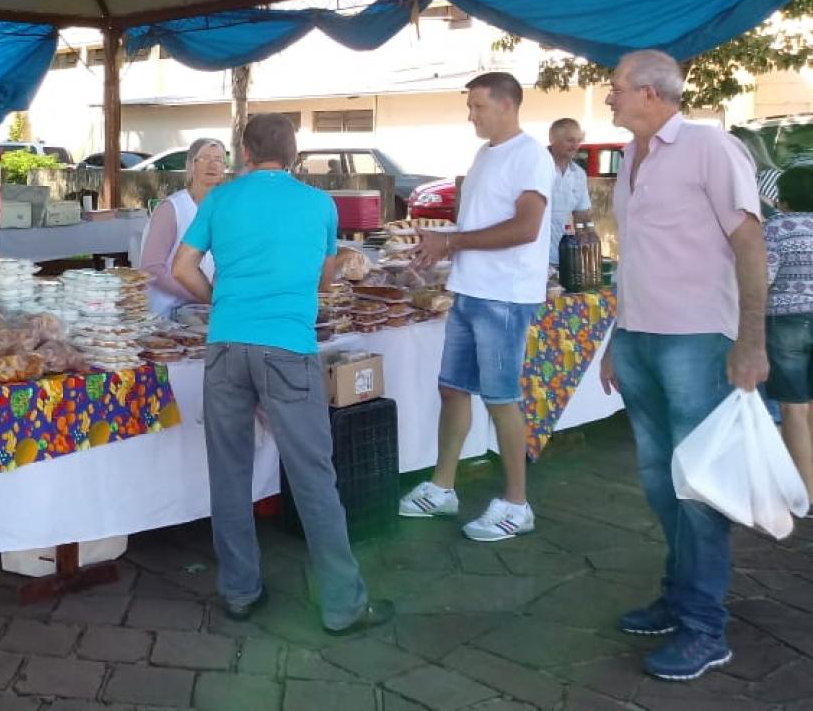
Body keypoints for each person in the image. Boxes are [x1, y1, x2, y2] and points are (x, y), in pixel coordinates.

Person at [170, 114, 391, 633]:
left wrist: (220, 301)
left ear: (245, 152)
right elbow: (324, 275)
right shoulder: (319, 204)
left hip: (225, 344)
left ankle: (240, 591)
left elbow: (182, 267)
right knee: (313, 474)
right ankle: (343, 604)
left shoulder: (219, 198)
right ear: (293, 155)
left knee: (228, 472)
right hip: (289, 347)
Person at [601, 49, 767, 682]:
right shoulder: (630, 158)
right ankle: (677, 596)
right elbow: (638, 258)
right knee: (660, 480)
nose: (610, 96)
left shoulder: (709, 147)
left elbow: (749, 243)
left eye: (616, 88)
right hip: (642, 339)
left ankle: (705, 628)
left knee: (700, 488)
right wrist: (618, 337)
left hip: (698, 340)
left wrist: (749, 343)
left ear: (650, 93)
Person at [402, 72, 553, 541]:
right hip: (470, 291)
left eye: (479, 107)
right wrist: (441, 252)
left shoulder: (531, 156)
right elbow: (479, 223)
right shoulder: (486, 154)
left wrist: (451, 243)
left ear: (507, 105)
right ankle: (443, 487)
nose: (471, 115)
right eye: (471, 107)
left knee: (501, 398)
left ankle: (516, 503)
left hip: (505, 297)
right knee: (452, 388)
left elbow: (526, 228)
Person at [765, 165, 813, 500]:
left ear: (783, 200)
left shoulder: (776, 228)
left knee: (793, 409)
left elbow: (762, 277)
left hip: (787, 322)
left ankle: (806, 492)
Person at [140, 138, 227, 317]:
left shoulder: (225, 209)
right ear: (190, 165)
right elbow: (152, 267)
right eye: (204, 158)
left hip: (209, 312)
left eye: (218, 159)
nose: (212, 165)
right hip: (166, 314)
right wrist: (199, 296)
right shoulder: (173, 208)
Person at [547, 118, 593, 266]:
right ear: (552, 139)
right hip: (531, 258)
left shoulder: (579, 174)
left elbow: (582, 214)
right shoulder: (534, 166)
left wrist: (587, 238)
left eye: (578, 141)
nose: (576, 146)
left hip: (564, 257)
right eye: (570, 140)